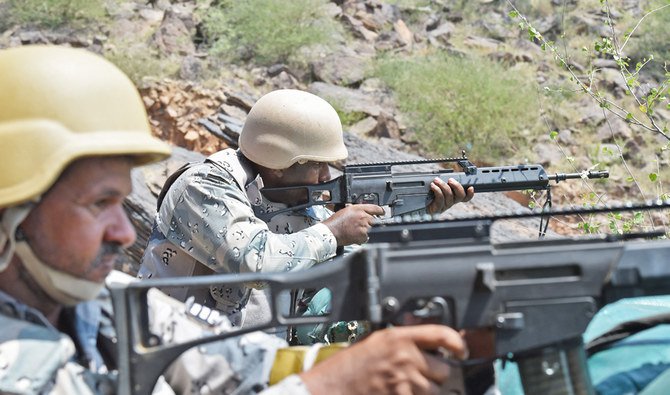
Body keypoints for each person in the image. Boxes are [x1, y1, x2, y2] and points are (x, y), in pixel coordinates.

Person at [0, 44, 469, 394]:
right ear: (11, 211)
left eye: (122, 203)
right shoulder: (16, 363)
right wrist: (329, 382)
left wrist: (383, 364)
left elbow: (225, 360)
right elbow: (260, 261)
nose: (125, 233)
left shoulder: (105, 305)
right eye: (96, 204)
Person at [138, 88, 475, 339]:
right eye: (316, 164)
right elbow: (257, 263)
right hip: (177, 354)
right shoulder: (203, 187)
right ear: (282, 165)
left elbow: (349, 258)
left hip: (253, 361)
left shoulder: (294, 198)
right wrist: (332, 231)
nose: (326, 177)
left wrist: (419, 212)